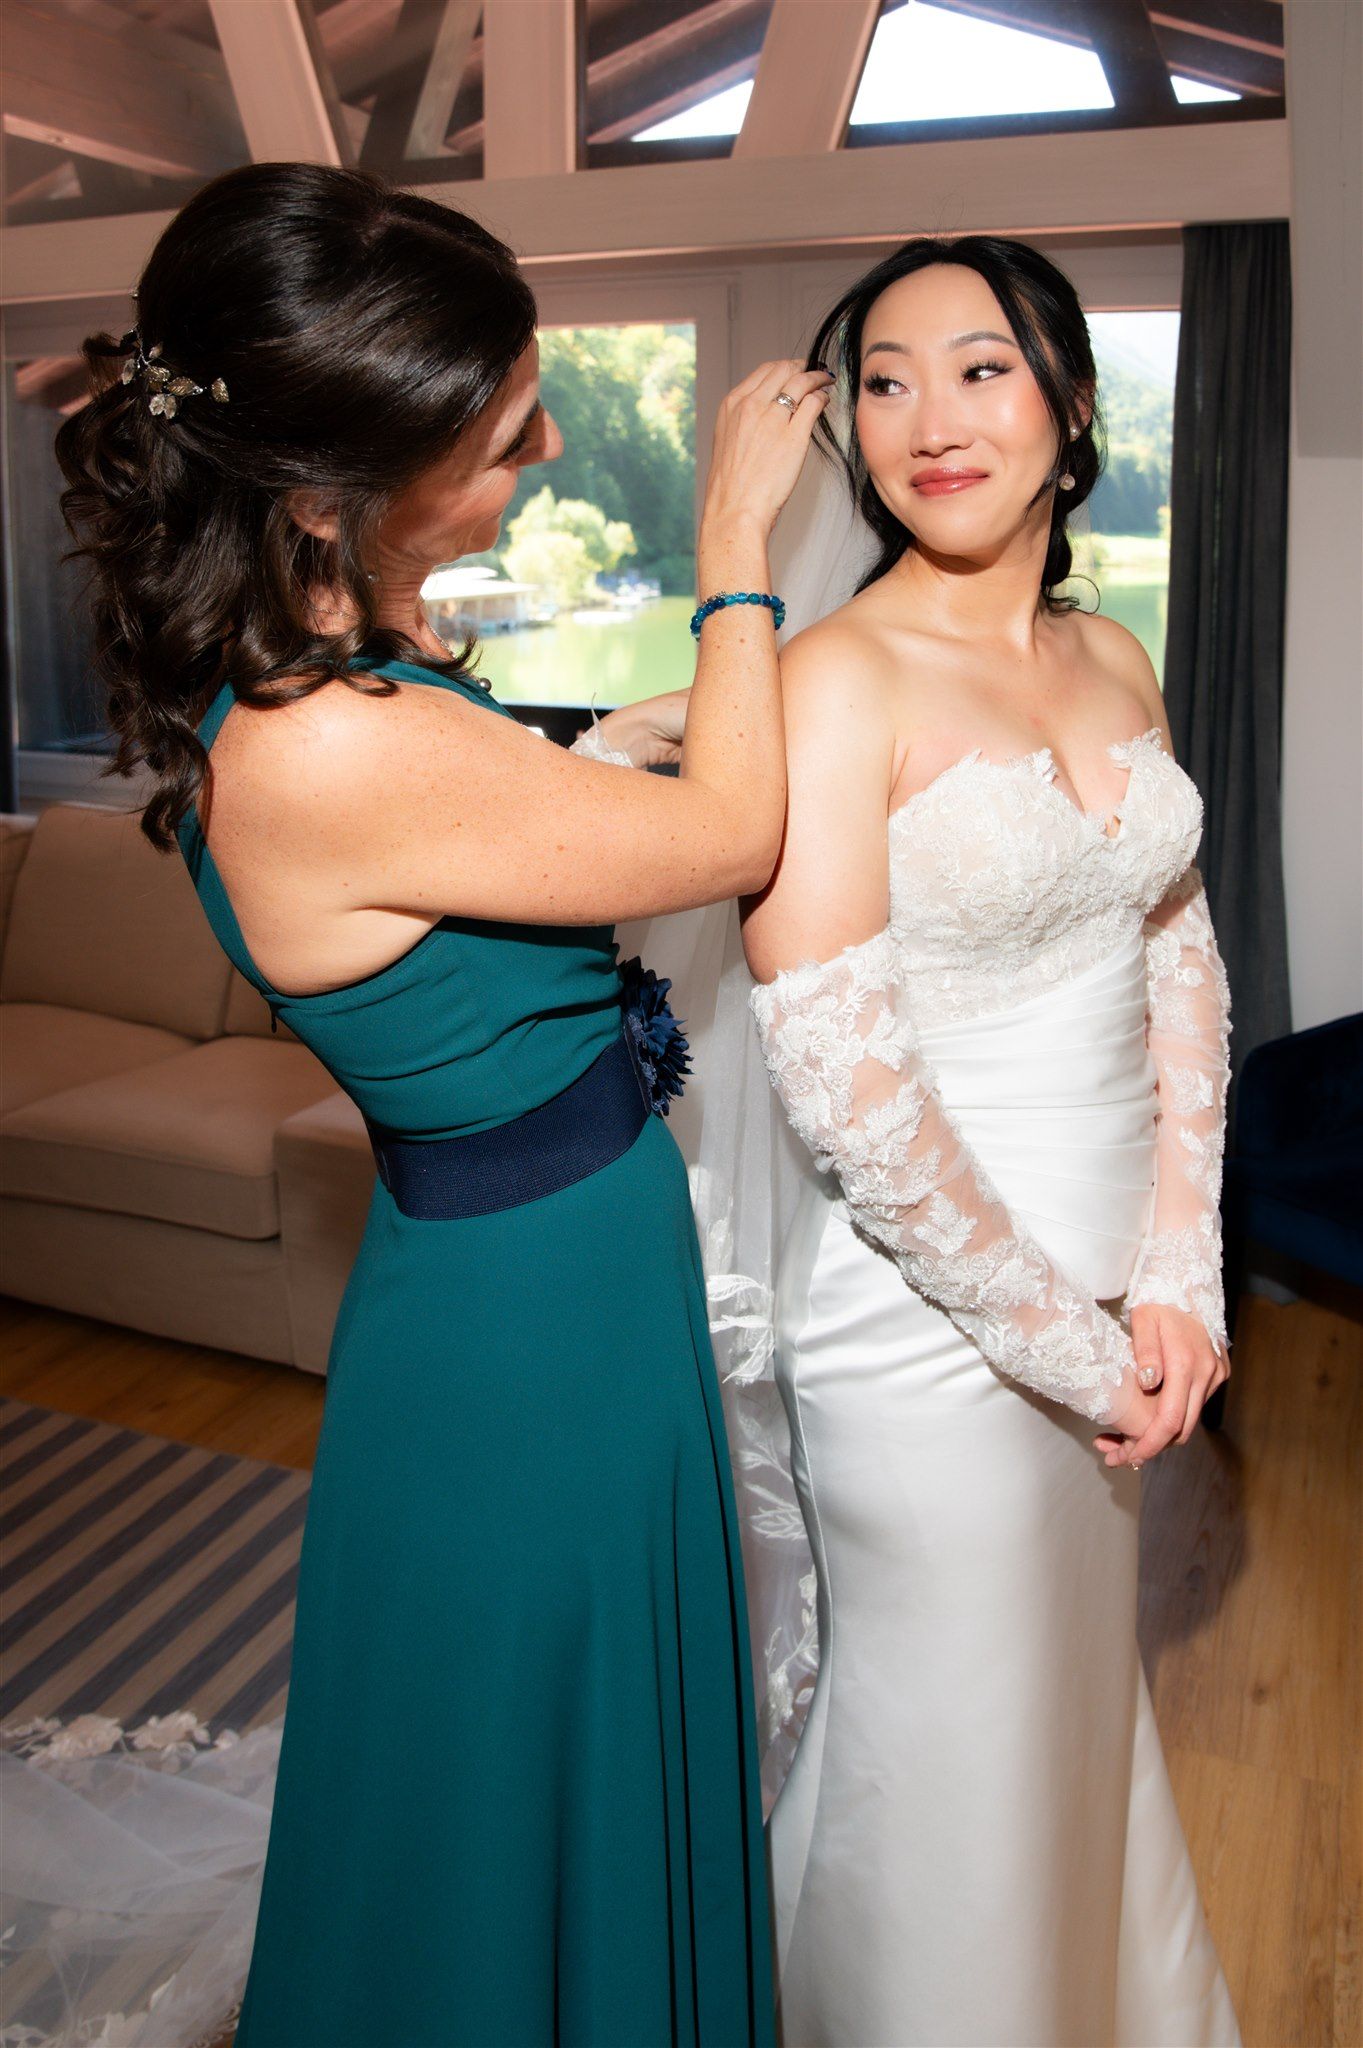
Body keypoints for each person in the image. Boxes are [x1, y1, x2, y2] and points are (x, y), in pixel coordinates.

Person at [21, 160, 834, 2048]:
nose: (541, 452)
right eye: (504, 433)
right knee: (513, 1774)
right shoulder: (326, 751)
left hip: (545, 1292)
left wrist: (596, 743)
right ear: (333, 486)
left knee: (543, 1741)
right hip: (521, 1345)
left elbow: (491, 810)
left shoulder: (328, 685)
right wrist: (732, 550)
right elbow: (729, 839)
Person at [672, 236, 1241, 2047]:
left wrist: (1181, 1264)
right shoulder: (835, 680)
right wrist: (1067, 1345)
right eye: (887, 377)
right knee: (952, 1749)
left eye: (981, 367)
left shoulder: (1113, 650)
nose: (931, 417)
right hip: (924, 1322)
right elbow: (838, 1070)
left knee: (1067, 1712)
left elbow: (1180, 954)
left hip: (1117, 1295)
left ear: (1069, 405)